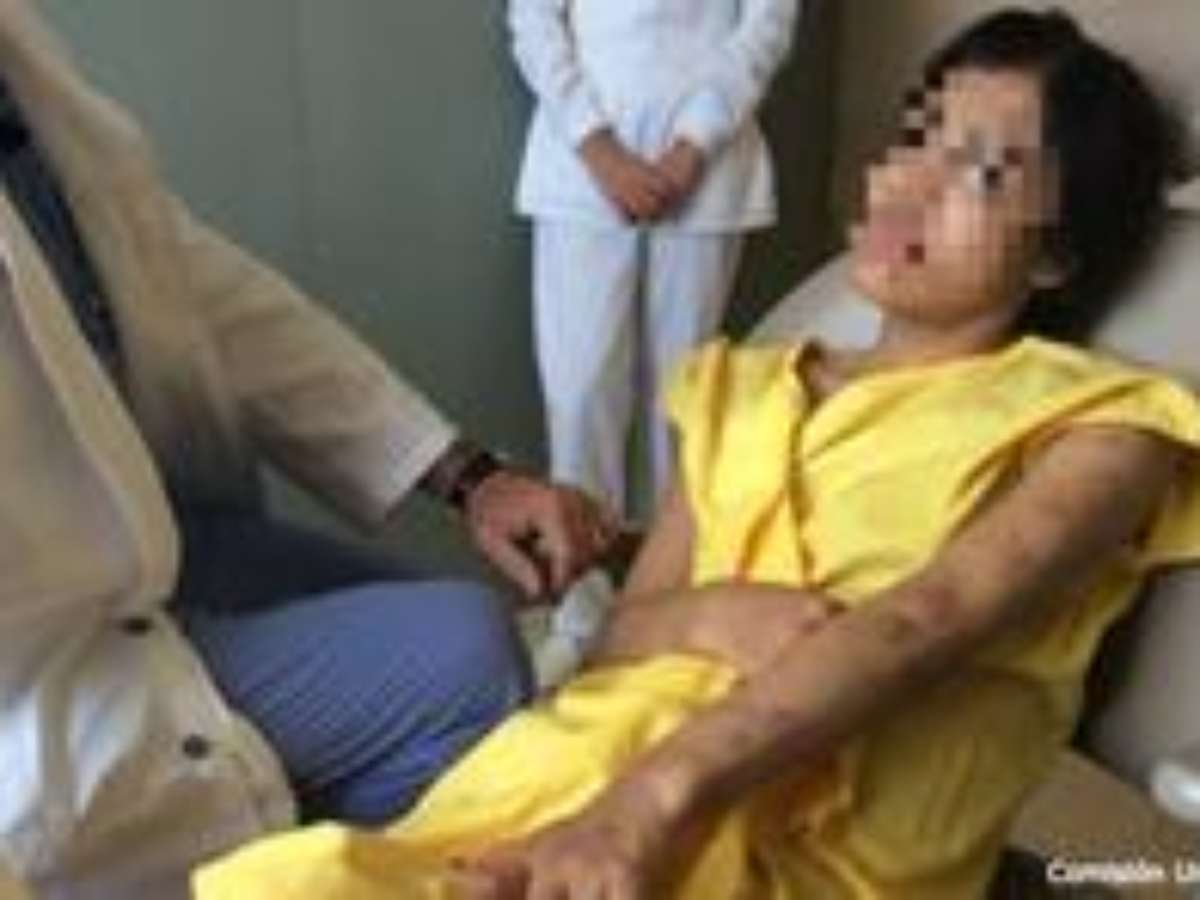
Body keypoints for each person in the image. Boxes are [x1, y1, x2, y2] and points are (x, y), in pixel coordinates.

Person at [196, 9, 1200, 900]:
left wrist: (646, 809)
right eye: (914, 140)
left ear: (1059, 252)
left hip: (799, 847)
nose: (910, 186)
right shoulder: (741, 388)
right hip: (577, 781)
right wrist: (711, 617)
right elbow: (617, 640)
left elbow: (923, 620)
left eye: (979, 172)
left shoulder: (1100, 428)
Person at [0, 3, 616, 898]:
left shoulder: (22, 63)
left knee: (445, 631)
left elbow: (184, 277)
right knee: (469, 661)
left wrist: (473, 478)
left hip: (159, 547)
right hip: (51, 672)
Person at [509, 0, 800, 686]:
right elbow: (534, 22)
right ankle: (582, 614)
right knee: (580, 392)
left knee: (681, 399)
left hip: (707, 171)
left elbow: (766, 27)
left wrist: (692, 146)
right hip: (581, 168)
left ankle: (663, 606)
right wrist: (600, 150)